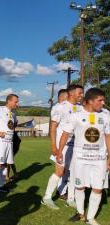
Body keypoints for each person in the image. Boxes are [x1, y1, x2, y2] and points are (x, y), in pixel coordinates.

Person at [57, 88, 110, 225]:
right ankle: (80, 213)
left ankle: (90, 218)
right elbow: (65, 135)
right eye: (100, 100)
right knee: (80, 187)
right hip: (80, 159)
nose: (103, 103)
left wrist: (109, 156)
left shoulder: (106, 115)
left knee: (98, 188)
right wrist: (59, 152)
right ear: (91, 101)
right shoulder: (75, 115)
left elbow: (108, 137)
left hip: (99, 159)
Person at [41, 84, 84, 209]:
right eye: (80, 93)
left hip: (76, 147)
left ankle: (70, 199)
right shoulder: (60, 107)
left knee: (73, 173)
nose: (82, 95)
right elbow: (53, 127)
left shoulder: (81, 108)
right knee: (59, 172)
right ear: (71, 94)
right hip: (62, 146)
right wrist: (54, 146)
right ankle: (47, 197)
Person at [53, 89, 69, 199]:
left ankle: (64, 190)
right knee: (60, 169)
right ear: (62, 97)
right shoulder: (57, 108)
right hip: (61, 144)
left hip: (69, 143)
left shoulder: (70, 108)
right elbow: (53, 127)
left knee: (67, 169)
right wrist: (54, 146)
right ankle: (59, 191)